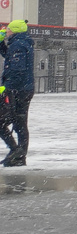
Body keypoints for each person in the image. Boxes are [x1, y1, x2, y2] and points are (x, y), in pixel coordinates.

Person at [0, 20, 35, 167]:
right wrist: (1, 42)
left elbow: (16, 69)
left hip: (18, 90)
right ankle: (18, 154)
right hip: (24, 88)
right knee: (20, 121)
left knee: (13, 121)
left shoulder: (18, 45)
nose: (6, 31)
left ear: (14, 31)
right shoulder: (21, 43)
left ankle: (17, 152)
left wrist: (6, 87)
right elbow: (8, 56)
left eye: (7, 30)